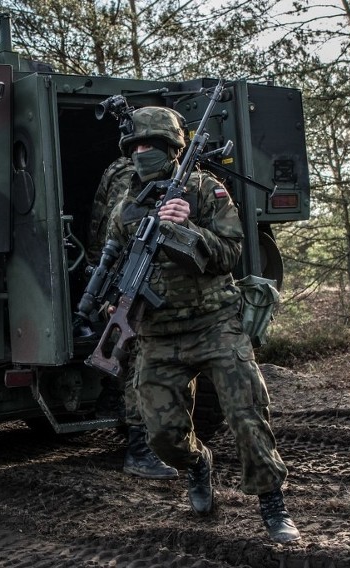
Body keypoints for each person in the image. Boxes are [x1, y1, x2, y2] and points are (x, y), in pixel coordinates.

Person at [101, 105, 300, 543]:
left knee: (247, 413)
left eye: (151, 145)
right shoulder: (126, 207)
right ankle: (197, 465)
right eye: (135, 146)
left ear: (173, 149)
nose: (142, 152)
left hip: (214, 325)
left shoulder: (207, 190)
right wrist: (110, 299)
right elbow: (113, 259)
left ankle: (272, 502)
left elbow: (231, 253)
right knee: (161, 436)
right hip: (158, 334)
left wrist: (187, 228)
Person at [86, 156, 178, 481]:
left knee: (129, 353)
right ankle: (139, 450)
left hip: (121, 268)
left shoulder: (118, 168)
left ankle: (114, 407)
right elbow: (119, 225)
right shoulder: (133, 174)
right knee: (136, 357)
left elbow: (103, 225)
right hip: (129, 271)